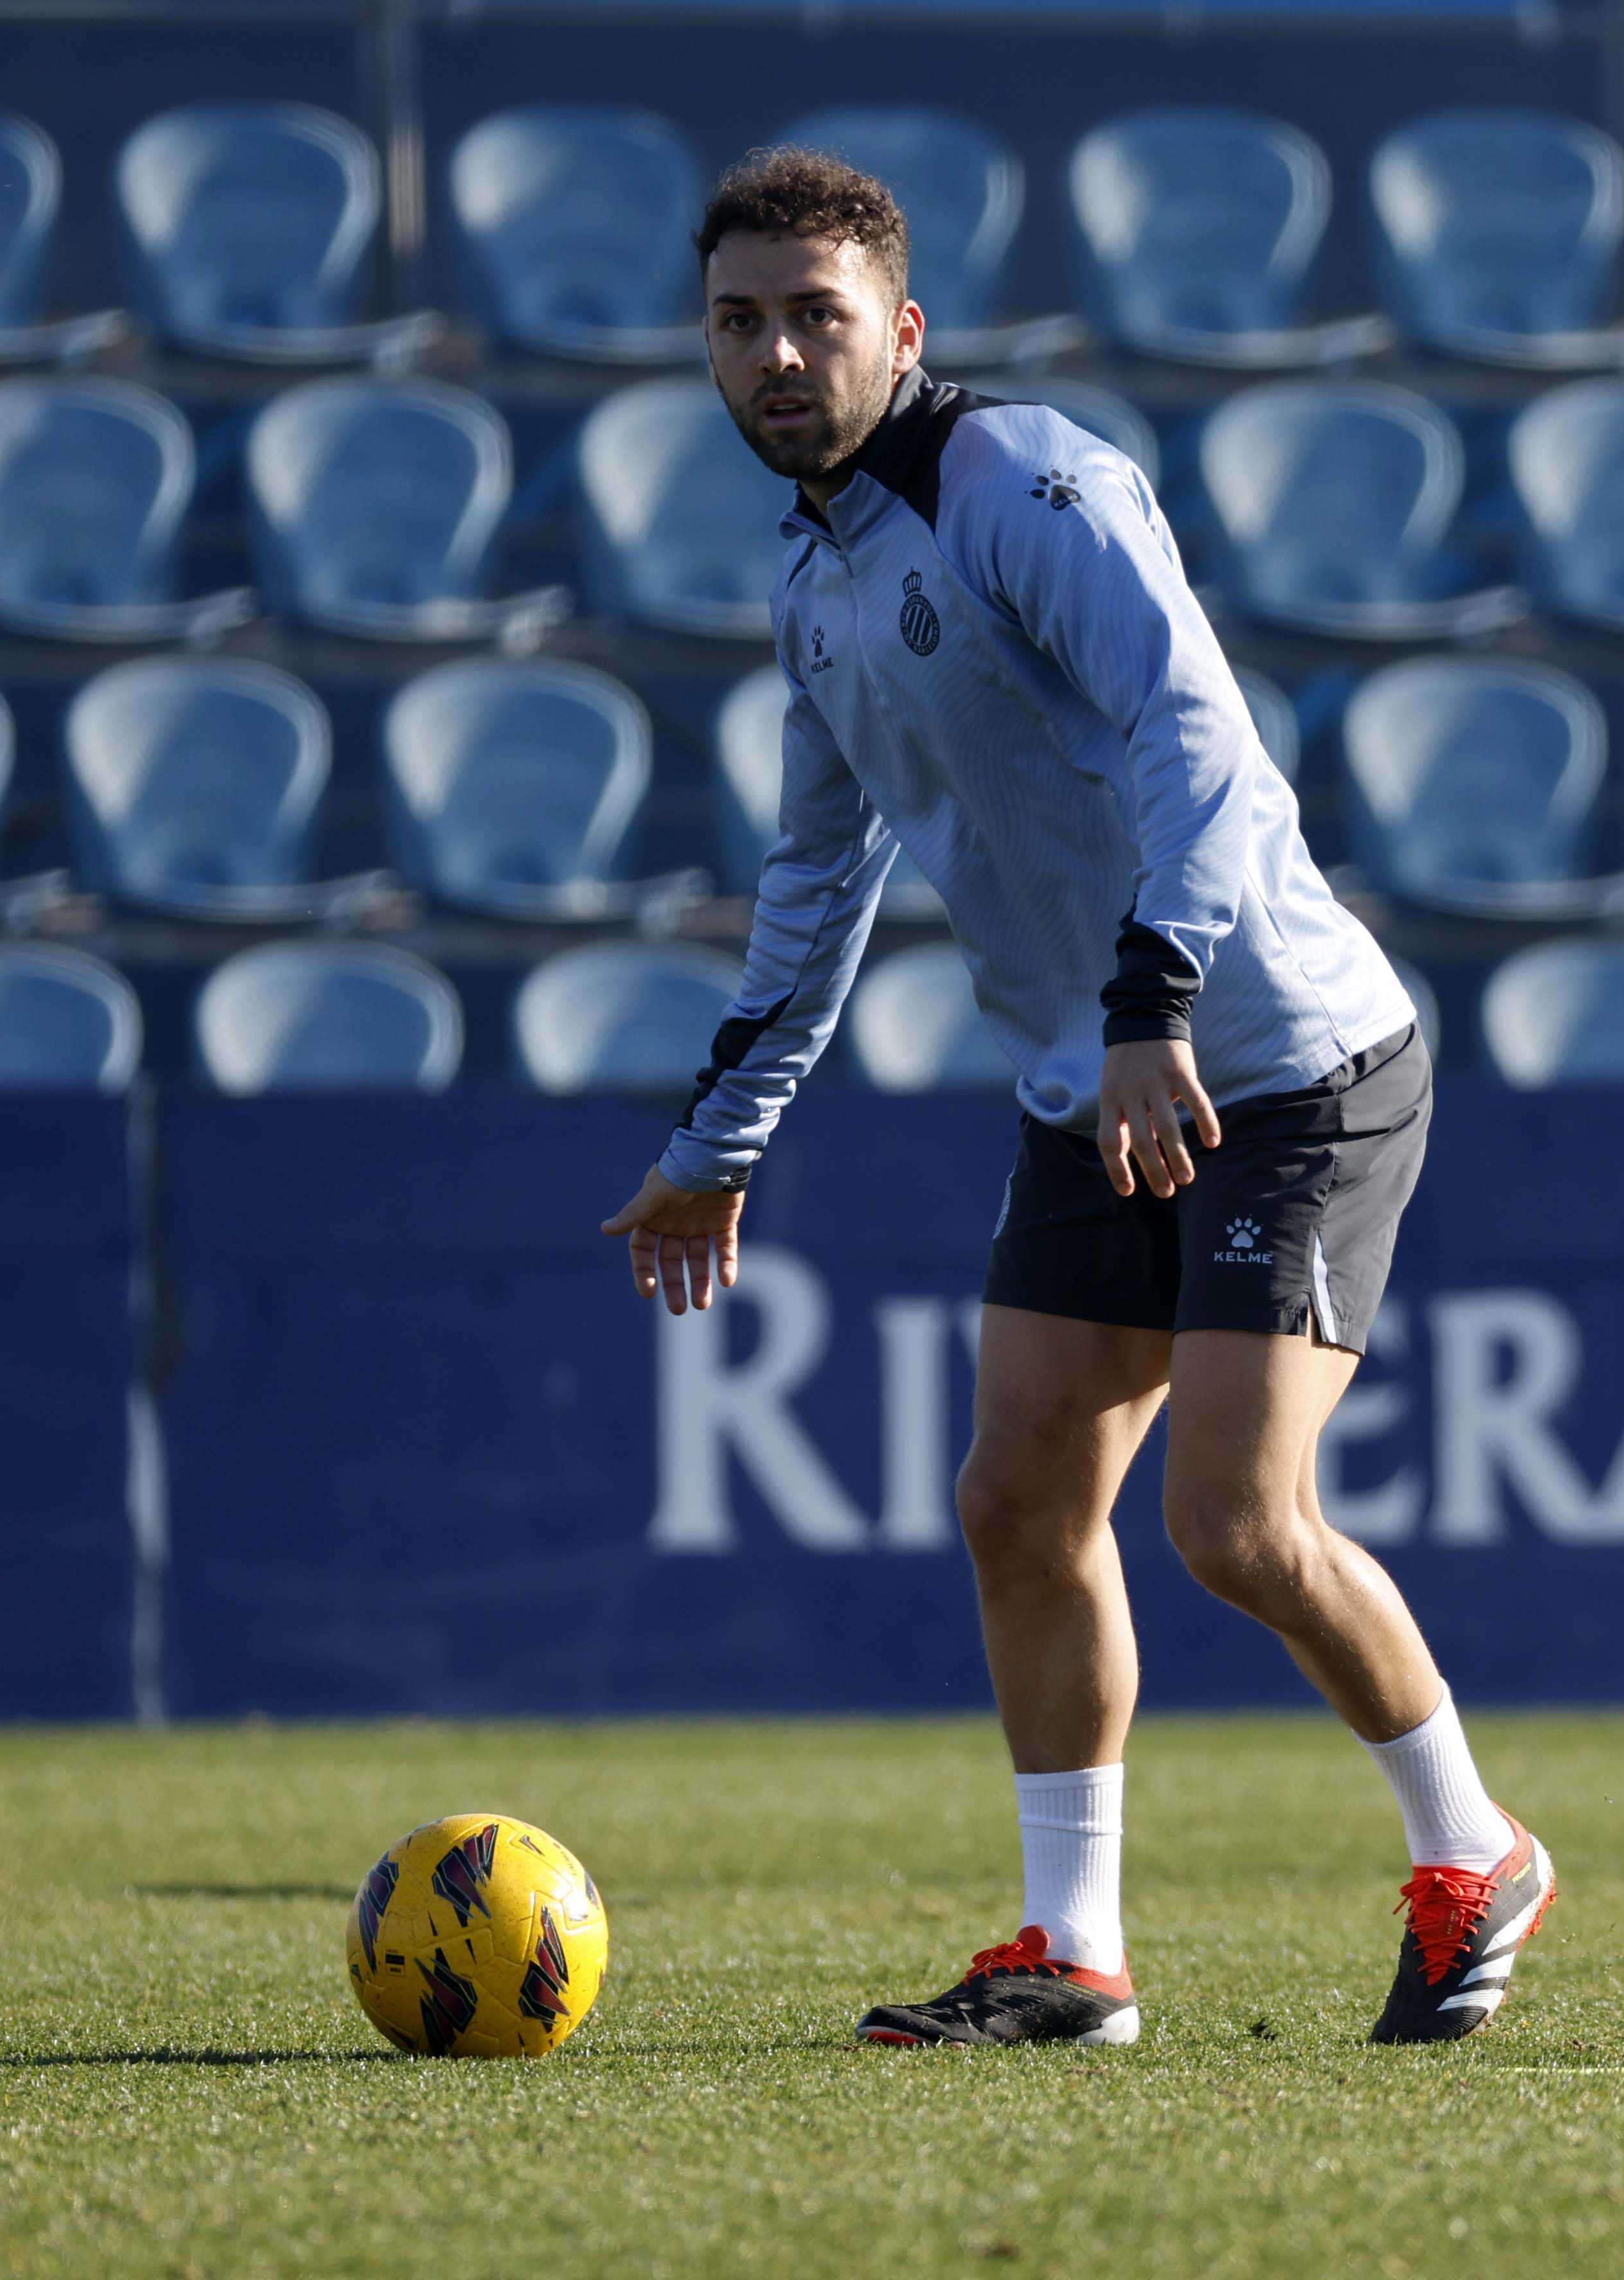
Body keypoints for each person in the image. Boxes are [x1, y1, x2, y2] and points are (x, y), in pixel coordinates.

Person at [599, 148, 1550, 2047]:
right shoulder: (815, 575)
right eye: (739, 321)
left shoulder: (1026, 483)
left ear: (901, 329)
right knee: (1020, 1500)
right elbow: (819, 877)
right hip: (1096, 1083)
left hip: (1280, 1062)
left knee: (1233, 1524)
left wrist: (1152, 999)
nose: (776, 353)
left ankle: (1478, 1853)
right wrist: (718, 1144)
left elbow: (1200, 737)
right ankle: (1073, 1954)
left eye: (814, 316)